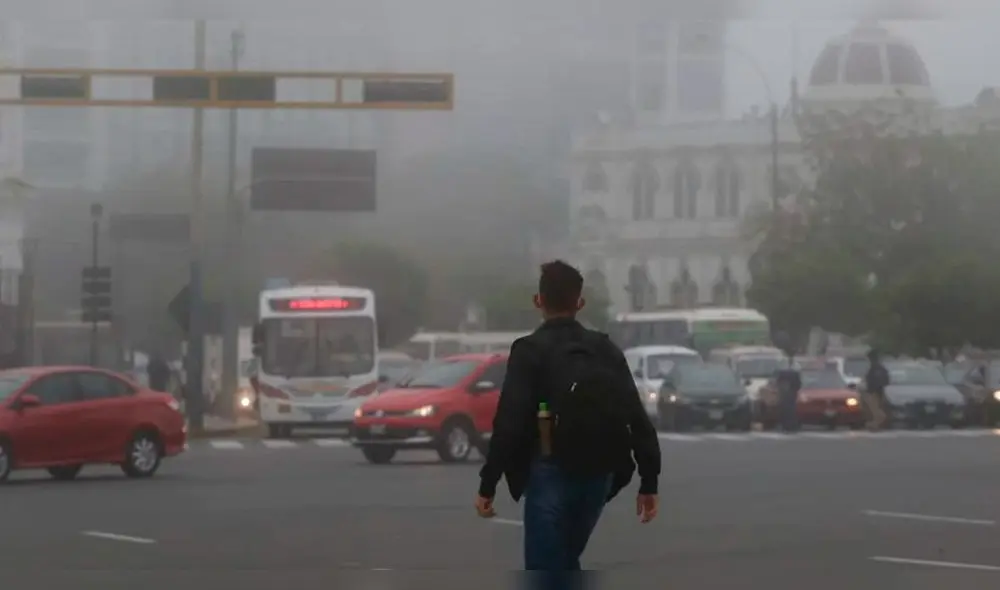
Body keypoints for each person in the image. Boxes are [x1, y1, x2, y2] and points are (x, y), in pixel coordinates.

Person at [476, 260, 661, 574]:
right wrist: (649, 481)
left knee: (545, 569)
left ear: (538, 301)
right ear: (580, 303)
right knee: (564, 560)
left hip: (549, 469)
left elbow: (510, 421)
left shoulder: (529, 350)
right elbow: (634, 413)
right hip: (600, 473)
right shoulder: (604, 349)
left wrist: (488, 484)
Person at [863, 349, 890, 430]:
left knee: (876, 410)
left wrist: (869, 390)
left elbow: (871, 380)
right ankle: (875, 424)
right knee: (875, 409)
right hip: (879, 391)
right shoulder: (881, 369)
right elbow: (886, 381)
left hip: (874, 392)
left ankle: (875, 424)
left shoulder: (874, 368)